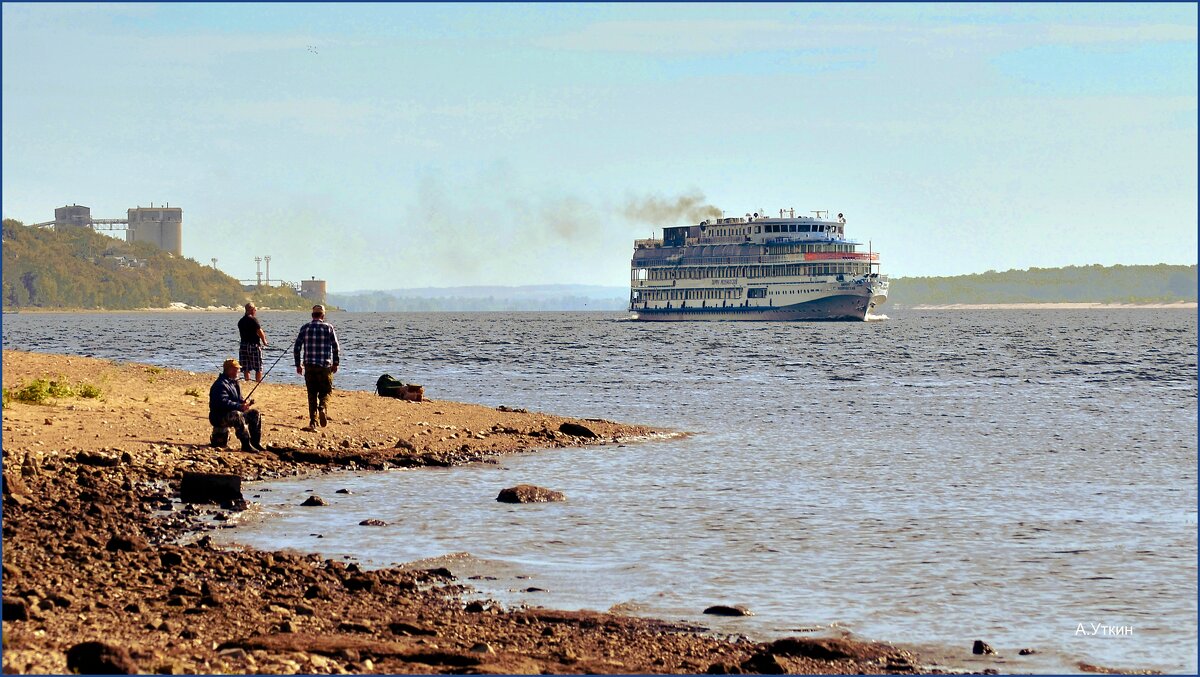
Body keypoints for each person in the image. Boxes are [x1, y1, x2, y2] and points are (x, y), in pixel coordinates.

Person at [294, 304, 340, 431]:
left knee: (312, 394)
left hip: (309, 366)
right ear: (323, 315)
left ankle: (313, 422)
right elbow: (336, 347)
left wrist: (298, 364)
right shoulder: (329, 327)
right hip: (325, 366)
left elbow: (297, 347)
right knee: (326, 391)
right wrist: (336, 363)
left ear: (312, 315)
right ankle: (322, 407)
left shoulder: (305, 328)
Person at [208, 358, 265, 452]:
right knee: (237, 415)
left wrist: (245, 403)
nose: (239, 371)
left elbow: (239, 399)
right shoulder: (220, 384)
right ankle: (245, 444)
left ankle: (255, 442)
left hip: (232, 413)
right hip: (218, 416)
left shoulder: (234, 383)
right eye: (237, 369)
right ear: (230, 370)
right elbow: (223, 402)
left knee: (255, 413)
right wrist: (238, 406)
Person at [237, 303, 268, 382]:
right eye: (254, 309)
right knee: (258, 366)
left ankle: (247, 380)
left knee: (245, 366)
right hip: (253, 345)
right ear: (251, 310)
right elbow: (259, 331)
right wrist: (264, 341)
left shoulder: (241, 321)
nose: (255, 311)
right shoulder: (253, 320)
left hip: (243, 345)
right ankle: (258, 381)